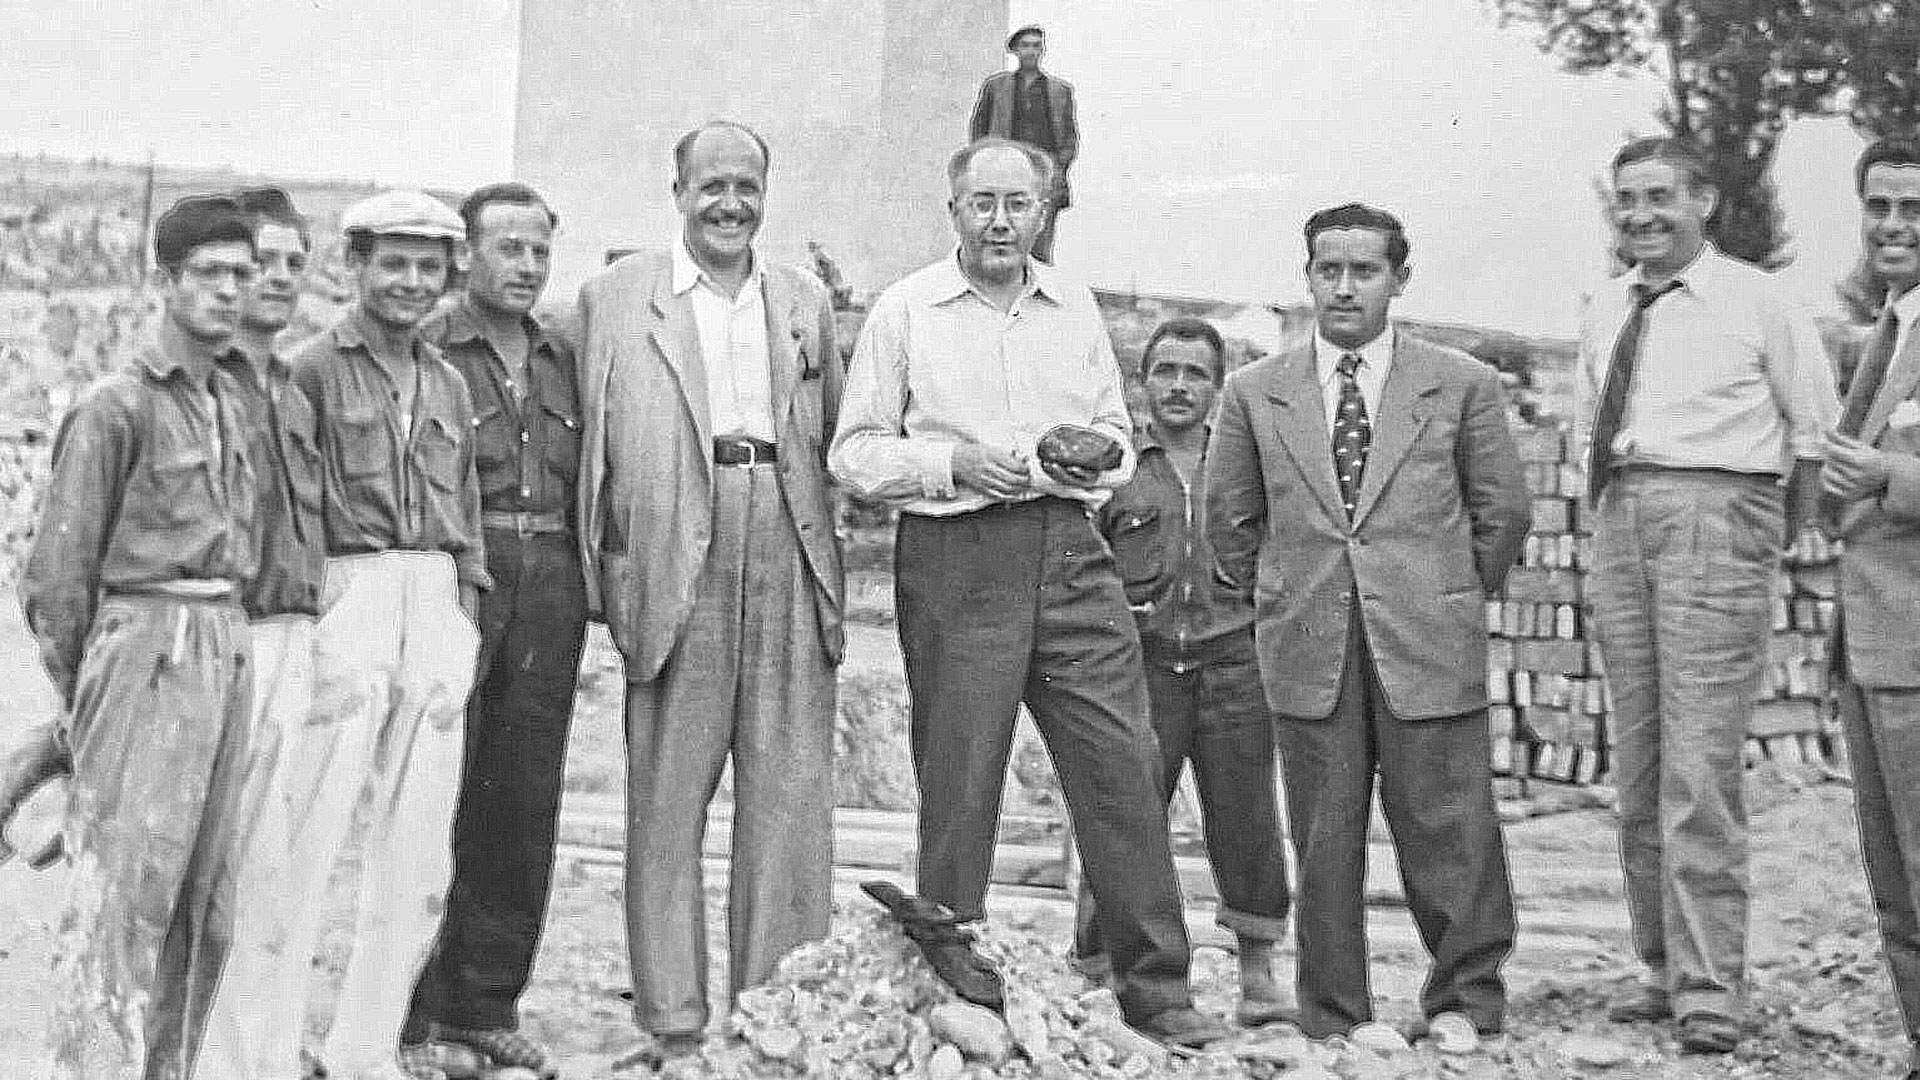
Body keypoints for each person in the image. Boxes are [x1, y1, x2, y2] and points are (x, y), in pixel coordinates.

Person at [830, 136, 1234, 1049]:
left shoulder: (1073, 307)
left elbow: (1115, 439)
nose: (1002, 221)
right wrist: (951, 461)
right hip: (955, 552)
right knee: (961, 771)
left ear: (1045, 213)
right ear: (956, 212)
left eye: (1020, 204)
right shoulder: (907, 310)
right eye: (984, 204)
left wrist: (1085, 459)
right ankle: (951, 970)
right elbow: (852, 452)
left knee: (1123, 765)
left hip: (1070, 551)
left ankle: (1157, 988)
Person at [1205, 202, 1530, 1050]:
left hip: (1427, 641)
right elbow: (1229, 523)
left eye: (1365, 271)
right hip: (1311, 642)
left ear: (1399, 280)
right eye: (1328, 270)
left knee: (1448, 824)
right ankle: (1335, 1014)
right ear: (1307, 277)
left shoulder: (1460, 385)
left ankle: (1465, 999)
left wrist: (1441, 596)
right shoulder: (1255, 392)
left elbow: (1502, 515)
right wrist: (1287, 597)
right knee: (1323, 835)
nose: (1344, 288)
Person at [574, 121, 844, 1064]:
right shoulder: (614, 298)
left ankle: (775, 1013)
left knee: (788, 800)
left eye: (746, 186)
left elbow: (831, 434)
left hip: (784, 536)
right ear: (677, 190)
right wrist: (606, 575)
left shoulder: (803, 300)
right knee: (666, 799)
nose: (729, 204)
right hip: (668, 549)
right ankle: (674, 1021)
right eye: (711, 186)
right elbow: (586, 454)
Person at [1574, 137, 1835, 1054]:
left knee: (1698, 761)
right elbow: (1589, 424)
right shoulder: (1607, 302)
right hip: (1625, 514)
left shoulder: (1759, 301)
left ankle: (1712, 985)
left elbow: (1813, 434)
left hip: (1719, 513)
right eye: (1627, 200)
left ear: (1705, 202)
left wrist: (1773, 535)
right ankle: (1659, 965)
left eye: (1660, 198)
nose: (1642, 216)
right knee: (1639, 757)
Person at [21, 193, 262, 1079]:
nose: (231, 291)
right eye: (210, 274)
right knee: (128, 895)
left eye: (244, 274)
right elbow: (57, 579)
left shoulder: (229, 397)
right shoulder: (115, 405)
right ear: (164, 282)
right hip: (144, 643)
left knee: (207, 902)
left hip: (222, 640)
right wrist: (98, 691)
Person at [283, 190, 489, 1080]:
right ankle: (268, 1041)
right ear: (356, 265)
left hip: (432, 597)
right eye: (393, 262)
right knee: (307, 837)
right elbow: (290, 505)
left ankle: (362, 1049)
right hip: (348, 589)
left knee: (418, 856)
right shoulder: (312, 371)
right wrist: (314, 619)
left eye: (429, 265)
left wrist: (463, 621)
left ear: (451, 275)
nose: (411, 282)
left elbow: (467, 514)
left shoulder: (445, 380)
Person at [401, 182, 584, 1080]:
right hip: (457, 582)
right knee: (433, 795)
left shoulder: (563, 355)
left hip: (550, 586)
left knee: (522, 799)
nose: (526, 266)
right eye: (508, 248)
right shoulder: (431, 346)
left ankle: (484, 1004)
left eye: (540, 250)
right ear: (468, 254)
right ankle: (409, 1005)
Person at [1074, 316, 1293, 1026]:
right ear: (1142, 383)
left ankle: (1259, 973)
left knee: (1246, 820)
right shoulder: (1115, 469)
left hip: (1233, 665)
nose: (1178, 387)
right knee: (1123, 817)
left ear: (1217, 386)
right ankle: (1099, 966)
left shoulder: (1244, 466)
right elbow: (1081, 569)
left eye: (1195, 374)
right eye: (1165, 371)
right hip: (1141, 670)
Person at [191, 186, 329, 1080]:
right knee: (220, 878)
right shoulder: (203, 388)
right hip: (223, 643)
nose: (274, 281)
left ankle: (267, 1054)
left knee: (283, 869)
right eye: (257, 263)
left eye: (289, 263)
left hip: (296, 639)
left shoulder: (292, 382)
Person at [1824, 137, 1920, 1080]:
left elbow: (1883, 475)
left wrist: (1885, 472)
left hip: (1915, 648)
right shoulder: (1888, 330)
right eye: (1879, 207)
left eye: (1914, 210)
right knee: (1893, 884)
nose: (1893, 227)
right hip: (1869, 644)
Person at [969, 24, 1078, 263]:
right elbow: (979, 128)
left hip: (1043, 176)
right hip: (1004, 172)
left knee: (1039, 240)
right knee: (999, 235)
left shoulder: (1060, 91)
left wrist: (1058, 168)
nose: (1031, 51)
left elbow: (1070, 137)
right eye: (1025, 46)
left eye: (1037, 46)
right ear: (1016, 51)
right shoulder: (997, 87)